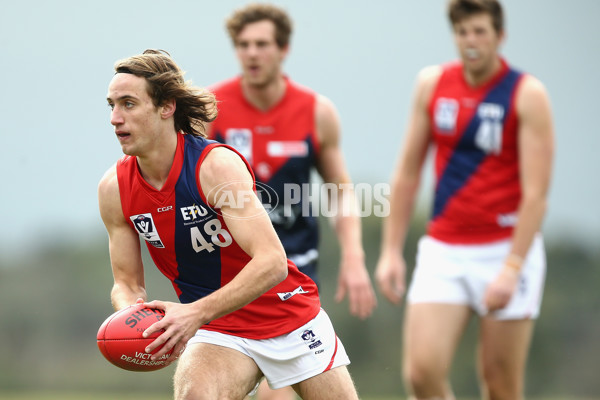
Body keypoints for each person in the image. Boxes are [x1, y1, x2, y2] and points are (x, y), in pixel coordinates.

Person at [98, 49, 360, 400]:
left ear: (166, 107)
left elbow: (272, 262)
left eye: (128, 104)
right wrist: (135, 319)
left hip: (288, 316)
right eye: (111, 105)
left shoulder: (215, 167)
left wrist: (193, 313)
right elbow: (126, 283)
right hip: (217, 329)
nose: (115, 118)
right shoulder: (114, 189)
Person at [375, 0, 554, 399]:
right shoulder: (433, 84)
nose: (470, 42)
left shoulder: (526, 94)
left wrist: (512, 267)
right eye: (462, 32)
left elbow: (537, 193)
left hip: (505, 250)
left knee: (499, 383)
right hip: (445, 249)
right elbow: (406, 172)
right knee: (422, 373)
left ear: (499, 36)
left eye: (479, 32)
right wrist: (390, 251)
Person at [207, 4, 377, 399]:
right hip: (229, 274)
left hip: (292, 273)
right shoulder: (212, 108)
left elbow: (340, 191)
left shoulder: (316, 112)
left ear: (283, 49)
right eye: (243, 45)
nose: (252, 53)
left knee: (276, 395)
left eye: (262, 44)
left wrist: (354, 257)